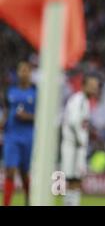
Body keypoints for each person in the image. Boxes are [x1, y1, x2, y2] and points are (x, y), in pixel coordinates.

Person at [0, 61, 36, 206]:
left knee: (24, 172)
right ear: (18, 72)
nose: (23, 73)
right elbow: (7, 111)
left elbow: (41, 116)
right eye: (21, 70)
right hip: (11, 136)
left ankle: (30, 202)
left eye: (26, 70)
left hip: (28, 136)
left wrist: (28, 117)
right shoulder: (10, 91)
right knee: (10, 170)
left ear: (30, 73)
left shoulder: (35, 92)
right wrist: (2, 123)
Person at [60, 75, 99, 206]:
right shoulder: (79, 100)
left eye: (96, 86)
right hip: (73, 146)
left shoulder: (85, 101)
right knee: (74, 179)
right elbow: (73, 121)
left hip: (76, 146)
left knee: (75, 179)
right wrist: (80, 139)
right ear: (83, 86)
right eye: (92, 85)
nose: (94, 89)